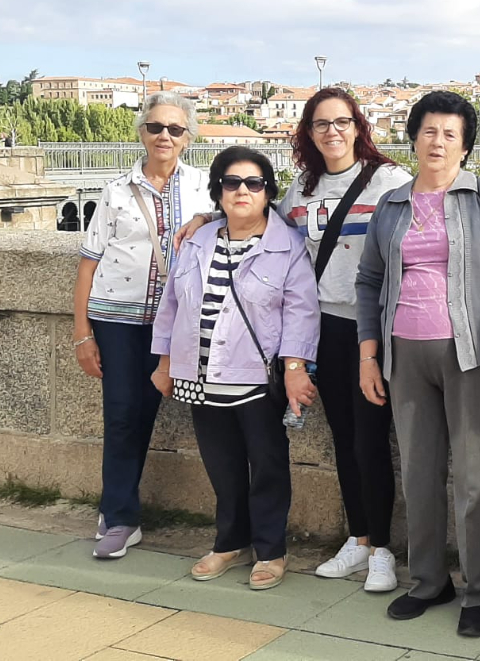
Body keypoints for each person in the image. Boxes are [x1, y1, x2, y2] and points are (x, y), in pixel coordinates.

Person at [176, 88, 411, 593]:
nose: (332, 132)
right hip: (324, 327)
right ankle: (359, 537)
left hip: (371, 326)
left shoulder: (389, 181)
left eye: (342, 121)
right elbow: (258, 218)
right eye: (321, 124)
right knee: (344, 438)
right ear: (309, 132)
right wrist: (207, 218)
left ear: (358, 126)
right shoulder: (304, 189)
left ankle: (383, 548)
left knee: (371, 439)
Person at [356, 90, 480, 639]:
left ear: (465, 146)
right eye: (429, 131)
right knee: (419, 473)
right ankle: (429, 581)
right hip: (405, 354)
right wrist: (368, 354)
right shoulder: (391, 205)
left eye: (450, 134)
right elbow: (368, 281)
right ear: (413, 138)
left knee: (476, 477)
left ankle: (479, 590)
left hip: (474, 354)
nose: (437, 142)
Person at [149, 146, 321, 589]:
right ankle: (230, 542)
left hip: (255, 377)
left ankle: (271, 549)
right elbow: (172, 304)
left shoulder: (287, 246)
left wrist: (296, 367)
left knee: (267, 465)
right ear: (219, 191)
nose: (242, 190)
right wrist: (165, 362)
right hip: (199, 374)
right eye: (232, 182)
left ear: (268, 192)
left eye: (254, 183)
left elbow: (301, 312)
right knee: (221, 466)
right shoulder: (197, 240)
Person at [73, 93, 213, 560]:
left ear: (188, 138)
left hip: (176, 320)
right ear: (141, 133)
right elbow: (88, 264)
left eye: (175, 129)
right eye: (155, 127)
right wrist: (82, 333)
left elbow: (241, 213)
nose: (164, 136)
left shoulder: (204, 187)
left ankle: (120, 508)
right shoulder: (115, 191)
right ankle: (119, 516)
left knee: (167, 412)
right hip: (117, 319)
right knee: (122, 413)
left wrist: (204, 216)